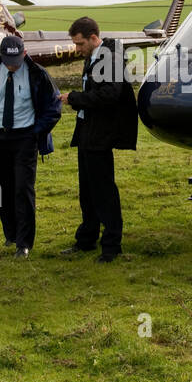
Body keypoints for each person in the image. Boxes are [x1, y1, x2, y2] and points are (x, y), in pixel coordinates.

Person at [59, 17, 138, 262]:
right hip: (87, 130)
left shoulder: (109, 59)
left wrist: (74, 98)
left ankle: (112, 246)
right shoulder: (93, 58)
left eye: (80, 43)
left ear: (94, 38)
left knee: (103, 192)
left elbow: (108, 96)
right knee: (88, 191)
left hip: (100, 134)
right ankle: (86, 240)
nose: (77, 48)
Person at [0, 34, 61, 258]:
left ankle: (24, 244)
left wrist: (36, 133)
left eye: (16, 62)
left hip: (25, 138)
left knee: (23, 189)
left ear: (25, 54)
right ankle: (10, 234)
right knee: (0, 189)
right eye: (7, 62)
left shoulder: (38, 75)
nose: (12, 66)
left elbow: (54, 107)